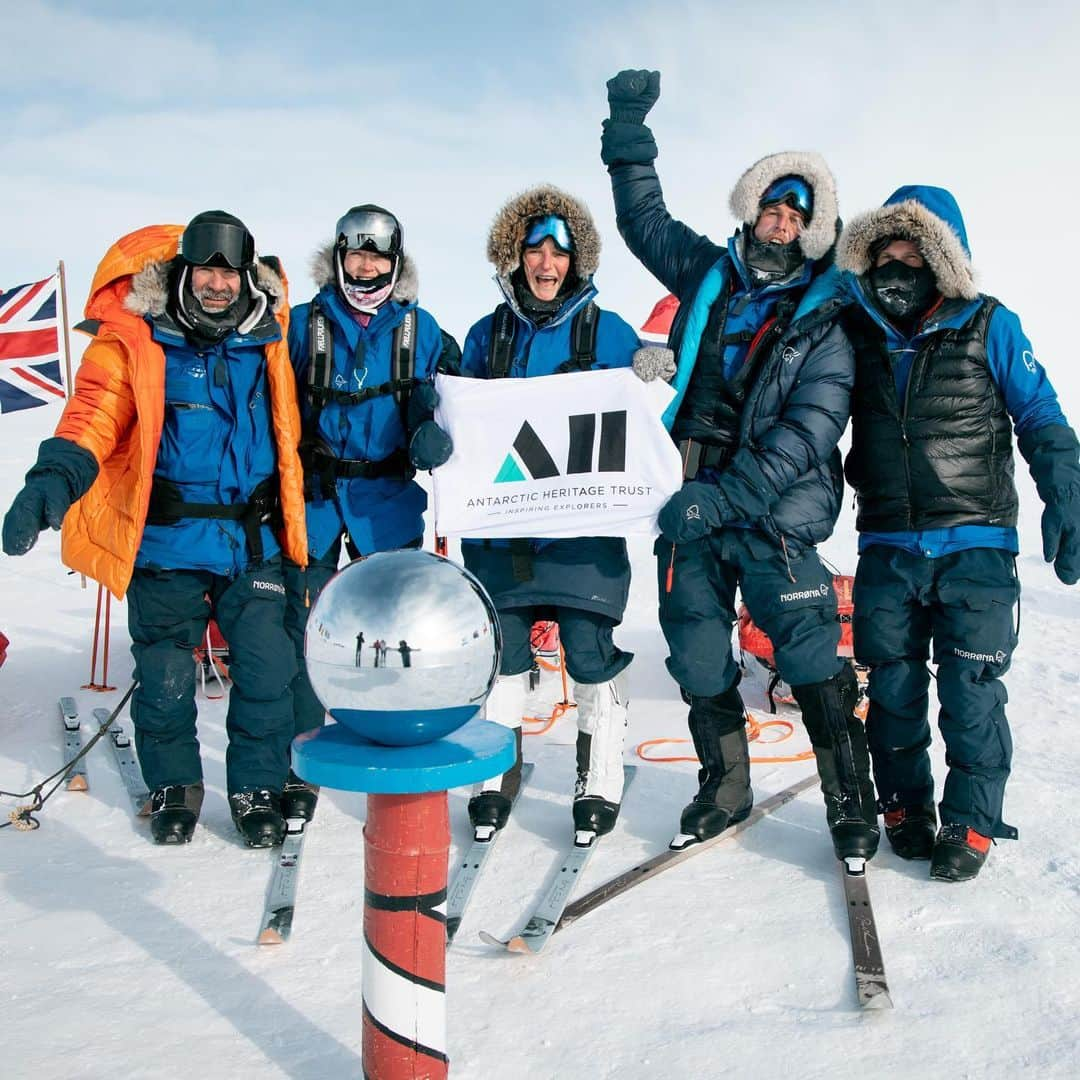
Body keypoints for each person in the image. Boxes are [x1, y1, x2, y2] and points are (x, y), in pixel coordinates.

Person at [600, 69, 876, 860]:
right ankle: (722, 789)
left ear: (813, 225)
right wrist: (627, 131)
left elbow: (807, 432)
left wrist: (721, 501)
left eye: (797, 211)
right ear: (752, 209)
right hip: (683, 498)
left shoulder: (827, 312)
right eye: (772, 206)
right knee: (694, 652)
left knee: (812, 654)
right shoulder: (707, 274)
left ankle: (849, 802)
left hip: (773, 511)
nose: (782, 220)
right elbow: (642, 218)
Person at [1, 213, 308, 848]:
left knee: (267, 670)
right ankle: (176, 786)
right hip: (166, 544)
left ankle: (255, 787)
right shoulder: (137, 340)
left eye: (229, 271)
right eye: (207, 270)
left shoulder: (273, 338)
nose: (217, 284)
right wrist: (50, 482)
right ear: (183, 272)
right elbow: (93, 413)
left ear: (246, 275)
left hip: (253, 543)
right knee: (165, 678)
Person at [835, 186, 1080, 881]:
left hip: (976, 545)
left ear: (945, 259)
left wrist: (1066, 493)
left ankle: (971, 820)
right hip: (887, 546)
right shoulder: (856, 333)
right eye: (886, 253)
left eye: (915, 252)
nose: (898, 266)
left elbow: (1038, 413)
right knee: (893, 690)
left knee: (971, 691)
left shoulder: (990, 324)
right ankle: (905, 808)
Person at [459, 184, 642, 838]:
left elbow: (654, 417)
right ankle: (496, 768)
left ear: (576, 262)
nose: (545, 264)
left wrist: (654, 379)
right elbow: (457, 413)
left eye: (557, 254)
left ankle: (600, 772)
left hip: (580, 529)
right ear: (514, 258)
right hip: (504, 528)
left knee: (588, 650)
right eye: (533, 251)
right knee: (503, 653)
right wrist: (437, 431)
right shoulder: (486, 336)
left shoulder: (609, 331)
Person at [283, 205, 458, 819]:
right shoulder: (303, 325)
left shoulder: (421, 328)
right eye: (356, 255)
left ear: (395, 262)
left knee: (397, 630)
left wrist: (434, 431)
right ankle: (298, 763)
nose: (366, 267)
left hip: (386, 501)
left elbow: (466, 394)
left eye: (378, 257)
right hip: (315, 500)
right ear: (338, 258)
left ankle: (397, 740)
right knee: (305, 629)